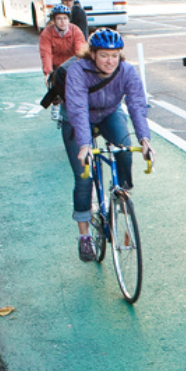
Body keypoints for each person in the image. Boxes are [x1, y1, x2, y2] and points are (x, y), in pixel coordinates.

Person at [61, 28, 154, 262]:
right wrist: (84, 144)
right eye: (104, 55)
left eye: (114, 55)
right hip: (75, 118)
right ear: (92, 54)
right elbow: (78, 110)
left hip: (109, 113)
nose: (110, 61)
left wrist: (145, 139)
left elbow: (136, 105)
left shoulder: (126, 71)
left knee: (124, 148)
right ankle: (84, 237)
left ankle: (121, 195)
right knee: (84, 177)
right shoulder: (78, 71)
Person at [38, 4, 86, 121]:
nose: (62, 22)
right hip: (55, 64)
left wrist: (79, 70)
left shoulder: (76, 31)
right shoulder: (47, 33)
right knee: (54, 85)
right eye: (59, 19)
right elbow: (46, 54)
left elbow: (80, 52)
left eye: (65, 18)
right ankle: (55, 104)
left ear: (69, 19)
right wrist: (48, 73)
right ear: (54, 20)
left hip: (71, 64)